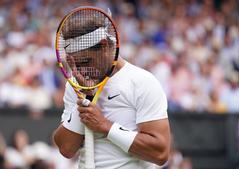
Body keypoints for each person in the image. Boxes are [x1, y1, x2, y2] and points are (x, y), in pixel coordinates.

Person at [53, 7, 171, 169]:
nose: (80, 71)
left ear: (104, 45)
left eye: (85, 62)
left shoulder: (143, 82)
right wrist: (85, 99)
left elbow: (160, 153)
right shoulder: (76, 83)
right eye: (75, 64)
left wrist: (105, 126)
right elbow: (66, 149)